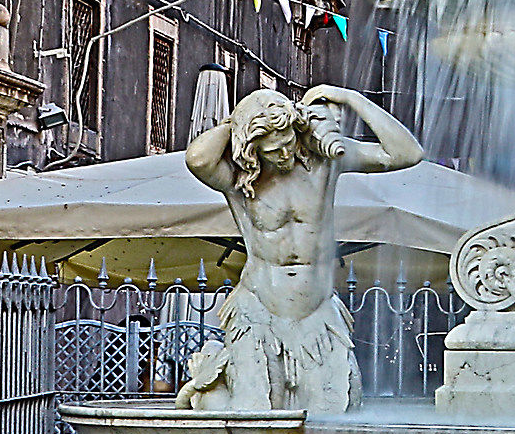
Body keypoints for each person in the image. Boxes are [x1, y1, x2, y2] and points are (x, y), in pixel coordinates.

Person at [175, 86, 424, 413]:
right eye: (272, 150)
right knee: (252, 413)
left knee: (336, 413)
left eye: (288, 142)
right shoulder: (239, 179)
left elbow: (406, 153)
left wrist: (349, 98)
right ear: (252, 149)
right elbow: (197, 159)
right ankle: (204, 391)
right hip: (258, 312)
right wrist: (239, 121)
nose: (284, 155)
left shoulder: (325, 161)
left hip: (317, 315)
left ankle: (206, 390)